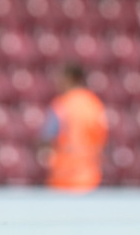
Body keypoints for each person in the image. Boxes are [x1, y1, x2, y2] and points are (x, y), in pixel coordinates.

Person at [40, 63, 109, 192]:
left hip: (62, 178)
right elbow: (102, 137)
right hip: (89, 178)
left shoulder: (61, 104)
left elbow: (47, 137)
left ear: (70, 77)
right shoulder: (94, 104)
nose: (57, 81)